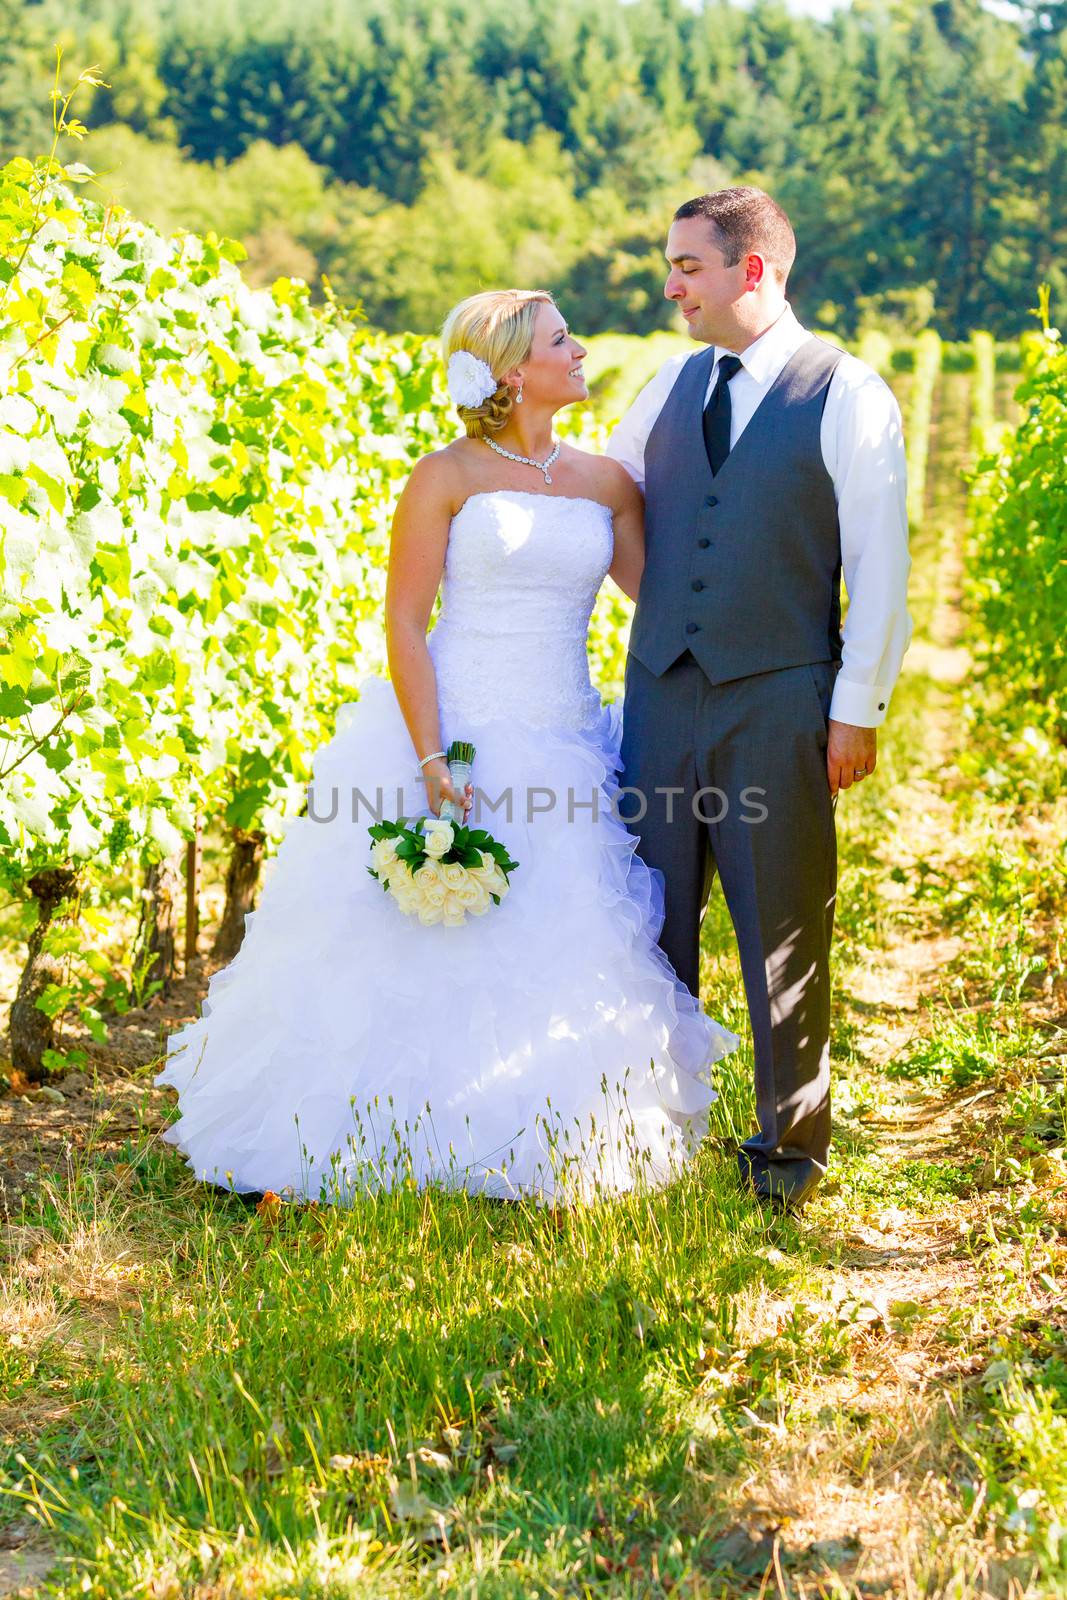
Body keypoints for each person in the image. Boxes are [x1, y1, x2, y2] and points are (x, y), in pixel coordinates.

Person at [155, 288, 739, 1208]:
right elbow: (404, 621)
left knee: (562, 925)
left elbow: (658, 604)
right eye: (562, 339)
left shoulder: (605, 484)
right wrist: (432, 759)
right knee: (409, 935)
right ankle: (382, 1132)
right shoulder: (445, 477)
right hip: (451, 727)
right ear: (513, 370)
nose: (580, 349)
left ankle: (544, 1130)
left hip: (568, 738)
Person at [606, 186, 912, 1215]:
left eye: (686, 265)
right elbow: (605, 499)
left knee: (781, 921)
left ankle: (786, 1154)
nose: (669, 285)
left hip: (779, 698)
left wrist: (854, 707)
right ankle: (649, 1133)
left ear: (753, 270)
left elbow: (878, 565)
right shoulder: (665, 384)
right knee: (646, 919)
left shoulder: (847, 391)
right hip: (655, 694)